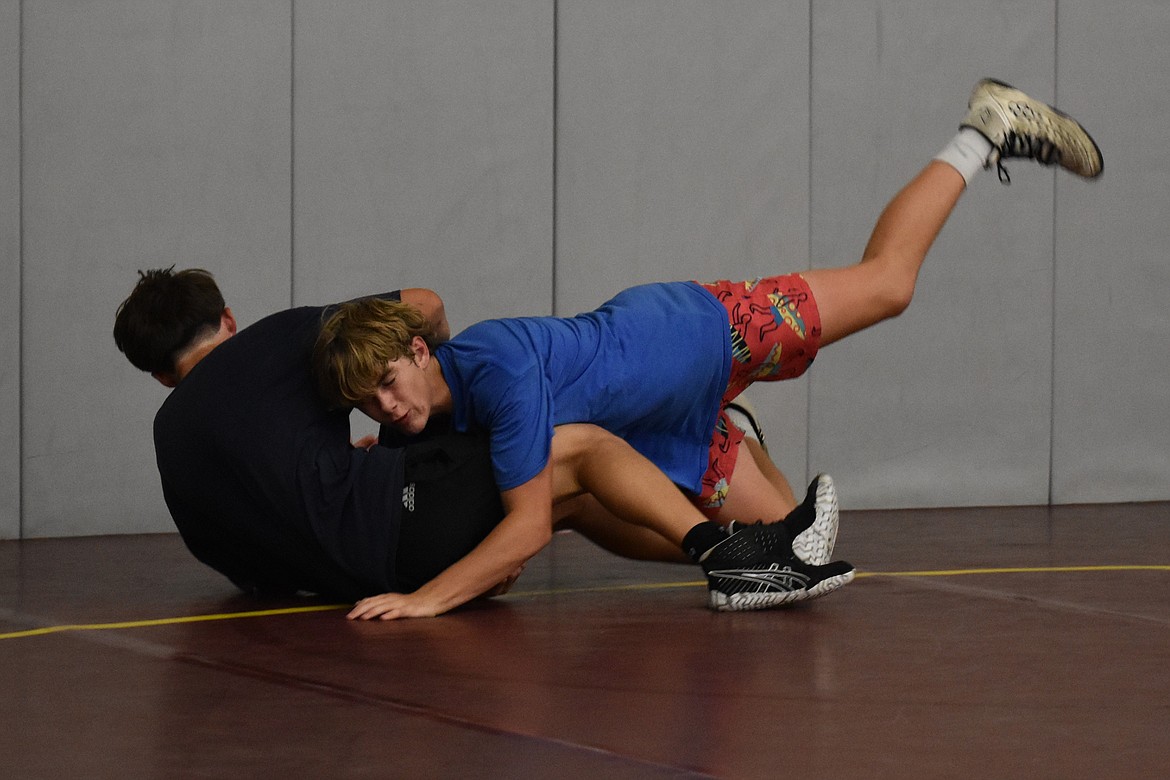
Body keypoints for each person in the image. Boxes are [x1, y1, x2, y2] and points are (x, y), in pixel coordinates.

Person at [314, 79, 1103, 619]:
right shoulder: (410, 415)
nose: (386, 407)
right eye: (369, 401)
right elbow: (425, 322)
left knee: (889, 284)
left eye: (388, 381)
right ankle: (738, 434)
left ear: (419, 352)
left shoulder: (499, 373)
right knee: (795, 545)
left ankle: (983, 128)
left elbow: (523, 534)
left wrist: (425, 601)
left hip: (694, 335)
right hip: (660, 429)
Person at [112, 269, 839, 608]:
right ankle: (729, 556)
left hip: (357, 578)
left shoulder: (167, 443)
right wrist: (445, 392)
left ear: (157, 376)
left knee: (571, 501)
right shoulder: (277, 339)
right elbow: (422, 303)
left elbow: (248, 569)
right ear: (229, 320)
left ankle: (756, 550)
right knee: (576, 447)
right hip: (407, 525)